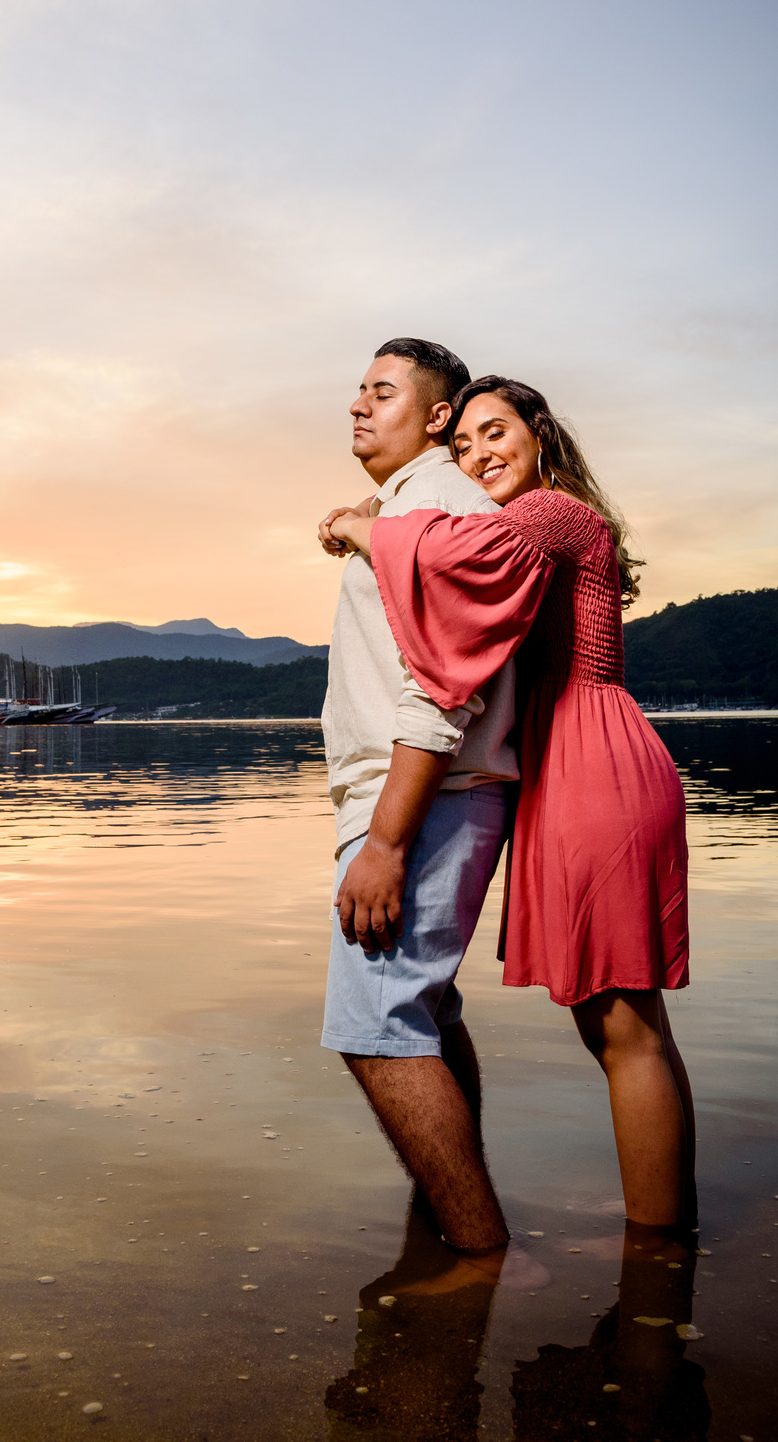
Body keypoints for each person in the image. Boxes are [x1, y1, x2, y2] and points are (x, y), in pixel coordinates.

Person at [323, 376, 695, 1232]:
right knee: (611, 1022)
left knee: (623, 1025)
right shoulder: (535, 522)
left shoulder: (552, 514)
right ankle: (659, 1214)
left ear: (541, 436)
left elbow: (452, 557)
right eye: (463, 446)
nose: (479, 455)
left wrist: (354, 523)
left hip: (591, 759)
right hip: (565, 764)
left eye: (498, 433)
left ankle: (659, 1245)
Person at [316, 339, 520, 1263]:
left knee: (377, 1029)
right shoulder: (409, 505)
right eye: (357, 390)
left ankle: (477, 1256)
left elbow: (441, 686)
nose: (359, 405)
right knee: (424, 1016)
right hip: (429, 796)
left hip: (419, 800)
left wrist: (387, 842)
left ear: (438, 416)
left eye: (384, 392)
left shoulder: (439, 504)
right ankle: (451, 1223)